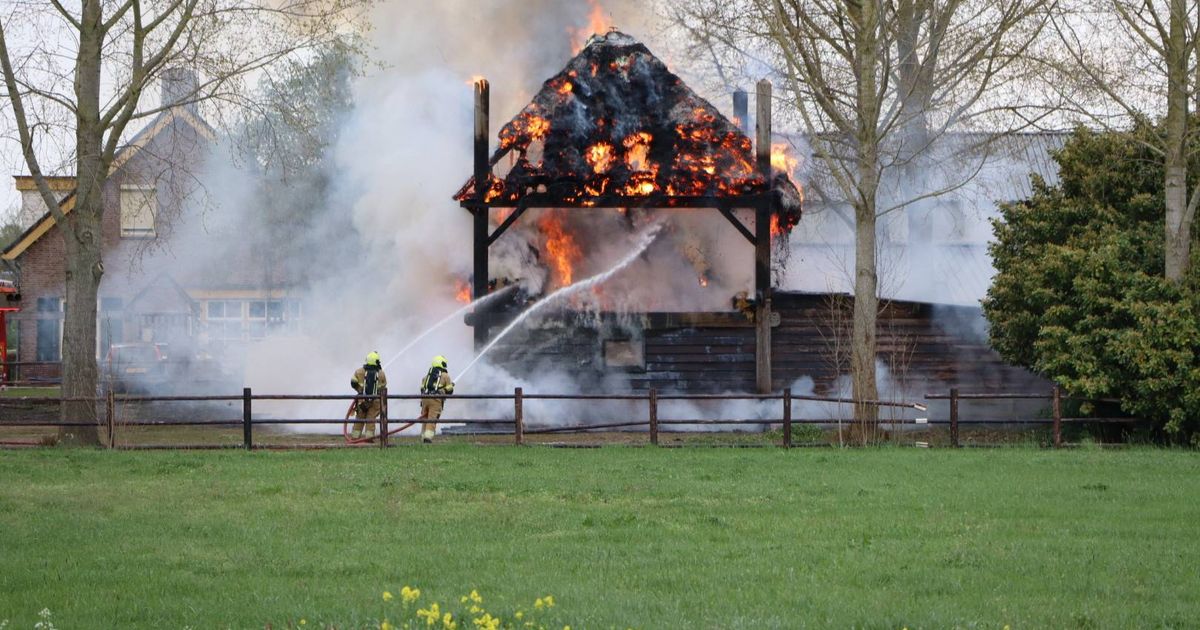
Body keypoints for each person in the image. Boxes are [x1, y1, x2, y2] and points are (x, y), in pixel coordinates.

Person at [350, 351, 387, 440]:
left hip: (361, 401)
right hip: (375, 402)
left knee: (359, 418)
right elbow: (383, 386)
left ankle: (355, 437)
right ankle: (369, 438)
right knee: (371, 419)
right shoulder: (381, 373)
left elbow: (353, 382)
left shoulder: (359, 371)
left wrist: (359, 391)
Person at [418, 355, 454, 444]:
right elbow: (450, 391)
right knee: (432, 418)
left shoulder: (426, 376)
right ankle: (428, 438)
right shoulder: (445, 376)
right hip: (435, 401)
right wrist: (450, 386)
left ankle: (423, 436)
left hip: (424, 399)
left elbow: (422, 388)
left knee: (425, 418)